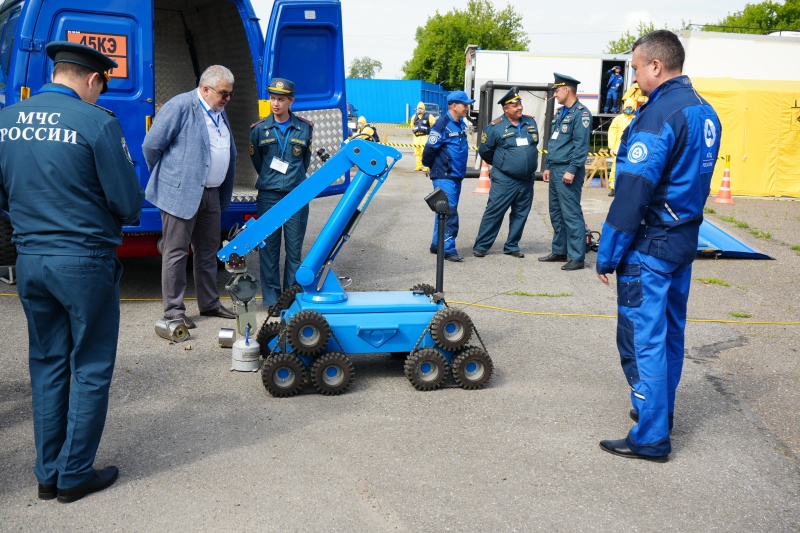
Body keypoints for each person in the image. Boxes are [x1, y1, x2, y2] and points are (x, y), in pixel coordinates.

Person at [0, 41, 144, 502]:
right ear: (92, 79)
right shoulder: (96, 122)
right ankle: (74, 474)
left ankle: (47, 474)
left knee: (47, 364)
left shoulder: (6, 121)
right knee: (91, 366)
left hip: (30, 259)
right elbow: (128, 202)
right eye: (101, 87)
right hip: (84, 259)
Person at [596, 30, 722, 462]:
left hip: (650, 245)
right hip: (684, 239)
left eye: (635, 68)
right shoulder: (705, 110)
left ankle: (650, 436)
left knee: (641, 338)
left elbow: (633, 191)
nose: (633, 76)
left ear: (655, 65)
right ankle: (659, 413)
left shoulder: (659, 115)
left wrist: (608, 254)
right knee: (669, 334)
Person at [143, 65, 237, 328]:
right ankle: (174, 311)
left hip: (211, 194)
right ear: (205, 89)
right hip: (181, 194)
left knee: (208, 252)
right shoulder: (180, 106)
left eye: (230, 94)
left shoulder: (218, 110)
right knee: (175, 253)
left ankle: (209, 303)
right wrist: (170, 178)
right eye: (223, 93)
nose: (228, 98)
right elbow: (151, 146)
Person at [249, 78, 314, 309]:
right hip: (268, 196)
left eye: (281, 99)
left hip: (296, 196)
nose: (275, 103)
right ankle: (272, 301)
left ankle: (290, 299)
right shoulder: (258, 130)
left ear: (290, 101)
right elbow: (258, 161)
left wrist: (291, 180)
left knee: (294, 251)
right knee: (269, 250)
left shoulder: (305, 128)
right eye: (273, 98)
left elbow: (305, 162)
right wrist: (272, 180)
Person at [473, 87, 539, 258]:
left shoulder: (530, 123)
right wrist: (503, 164)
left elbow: (534, 146)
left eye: (520, 104)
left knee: (521, 213)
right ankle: (482, 245)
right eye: (515, 105)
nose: (520, 107)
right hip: (505, 179)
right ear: (505, 108)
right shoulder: (495, 127)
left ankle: (512, 246)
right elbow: (485, 151)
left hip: (527, 179)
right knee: (494, 211)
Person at [538, 73, 591, 271]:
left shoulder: (581, 114)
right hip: (555, 168)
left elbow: (580, 146)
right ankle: (559, 250)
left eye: (557, 90)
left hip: (568, 170)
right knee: (556, 212)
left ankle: (577, 256)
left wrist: (572, 170)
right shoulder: (561, 112)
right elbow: (554, 142)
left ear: (567, 90)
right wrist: (548, 166)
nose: (555, 94)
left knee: (571, 213)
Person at [422, 90, 474, 262]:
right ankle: (448, 249)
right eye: (464, 105)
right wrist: (431, 166)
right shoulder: (442, 124)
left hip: (455, 175)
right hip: (444, 176)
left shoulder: (460, 123)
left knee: (442, 210)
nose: (467, 107)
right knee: (449, 211)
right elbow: (429, 149)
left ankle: (437, 244)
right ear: (453, 106)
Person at [606, 97, 637, 196]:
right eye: (627, 107)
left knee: (631, 169)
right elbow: (612, 132)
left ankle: (628, 189)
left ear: (634, 107)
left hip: (631, 148)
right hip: (618, 148)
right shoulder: (618, 119)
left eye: (630, 107)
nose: (628, 109)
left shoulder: (636, 119)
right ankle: (613, 188)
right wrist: (612, 147)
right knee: (615, 168)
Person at [411, 102, 435, 171]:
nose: (420, 110)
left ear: (424, 108)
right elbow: (412, 126)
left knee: (424, 152)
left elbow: (434, 125)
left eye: (421, 108)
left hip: (425, 137)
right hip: (416, 138)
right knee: (417, 153)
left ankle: (426, 166)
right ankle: (418, 166)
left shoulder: (429, 116)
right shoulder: (414, 117)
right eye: (419, 108)